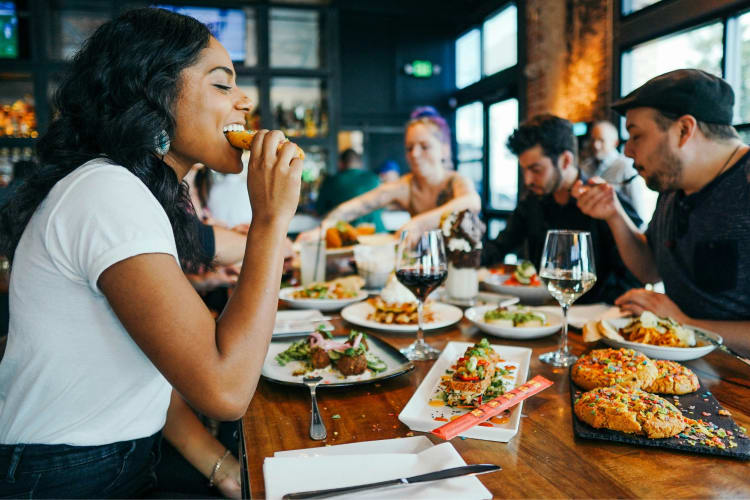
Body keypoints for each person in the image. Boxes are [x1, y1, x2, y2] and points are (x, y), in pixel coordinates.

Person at [0, 8, 301, 497]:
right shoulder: (107, 192)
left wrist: (222, 467)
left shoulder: (129, 190)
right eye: (222, 85)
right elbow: (225, 389)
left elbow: (146, 371)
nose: (245, 101)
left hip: (110, 460)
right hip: (62, 476)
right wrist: (270, 220)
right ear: (155, 94)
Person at [572, 69, 750, 353]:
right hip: (684, 367)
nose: (628, 151)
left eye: (636, 136)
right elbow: (651, 269)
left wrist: (684, 322)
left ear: (684, 130)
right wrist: (614, 214)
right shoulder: (672, 187)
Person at [482, 113, 642, 304]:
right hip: (543, 312)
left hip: (594, 319)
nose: (527, 180)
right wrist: (462, 255)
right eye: (524, 170)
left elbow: (635, 276)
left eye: (536, 169)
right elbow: (499, 246)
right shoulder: (532, 202)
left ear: (565, 160)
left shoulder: (604, 202)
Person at [298, 106, 480, 240]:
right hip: (427, 268)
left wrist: (418, 223)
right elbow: (357, 206)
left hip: (464, 271)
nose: (414, 154)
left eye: (424, 146)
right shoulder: (405, 186)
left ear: (445, 150)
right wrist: (322, 230)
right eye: (409, 147)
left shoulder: (456, 181)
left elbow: (471, 202)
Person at [581, 120, 657, 224]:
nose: (596, 145)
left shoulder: (627, 167)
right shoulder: (585, 167)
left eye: (601, 140)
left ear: (615, 143)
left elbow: (638, 213)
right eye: (593, 140)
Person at [316, 148, 385, 232]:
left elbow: (319, 211)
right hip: (378, 233)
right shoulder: (374, 178)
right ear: (360, 163)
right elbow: (383, 207)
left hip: (346, 236)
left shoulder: (330, 182)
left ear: (340, 163)